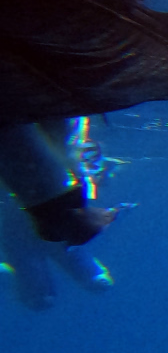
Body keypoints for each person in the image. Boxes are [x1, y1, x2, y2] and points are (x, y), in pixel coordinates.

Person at [0, 119, 114, 309]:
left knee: (40, 288)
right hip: (44, 212)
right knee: (42, 290)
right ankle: (84, 274)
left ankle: (30, 282)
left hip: (38, 211)